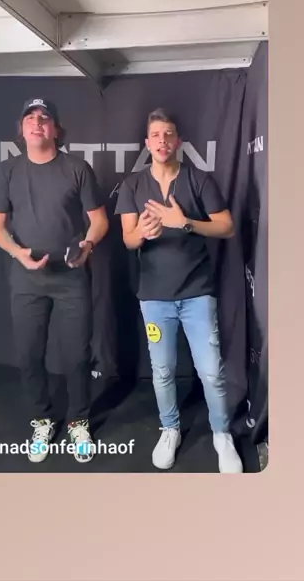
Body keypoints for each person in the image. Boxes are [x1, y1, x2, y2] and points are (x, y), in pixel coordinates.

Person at [115, 107, 243, 473]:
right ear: (147, 143)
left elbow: (227, 227)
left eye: (168, 134)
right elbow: (127, 239)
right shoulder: (133, 185)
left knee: (211, 372)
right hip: (154, 298)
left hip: (197, 293)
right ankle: (169, 428)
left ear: (178, 141)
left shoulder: (199, 179)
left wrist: (185, 222)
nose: (162, 141)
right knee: (162, 371)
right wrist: (143, 233)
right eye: (156, 135)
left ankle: (222, 434)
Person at [0, 97, 109, 464]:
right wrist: (18, 253)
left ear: (56, 129)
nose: (37, 122)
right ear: (22, 129)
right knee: (28, 355)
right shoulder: (7, 172)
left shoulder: (77, 168)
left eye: (45, 117)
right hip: (27, 279)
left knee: (77, 356)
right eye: (30, 117)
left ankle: (78, 422)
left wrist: (87, 245)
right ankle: (42, 420)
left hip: (71, 276)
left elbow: (99, 220)